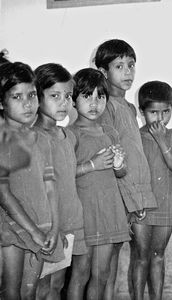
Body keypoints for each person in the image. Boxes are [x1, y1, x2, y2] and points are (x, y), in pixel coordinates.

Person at [94, 38, 157, 299]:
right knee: (108, 263)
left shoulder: (130, 107)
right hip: (121, 194)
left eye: (131, 65)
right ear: (103, 72)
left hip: (139, 191)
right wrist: (129, 201)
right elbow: (114, 156)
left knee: (141, 254)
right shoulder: (105, 106)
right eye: (119, 66)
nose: (128, 72)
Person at [0, 61, 64, 300]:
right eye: (17, 97)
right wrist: (34, 232)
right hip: (11, 227)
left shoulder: (41, 140)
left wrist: (55, 227)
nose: (27, 103)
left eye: (32, 95)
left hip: (43, 225)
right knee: (11, 293)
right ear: (1, 102)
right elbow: (4, 194)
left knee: (30, 292)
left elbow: (50, 186)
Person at [68, 67, 130, 300]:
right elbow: (64, 175)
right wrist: (92, 165)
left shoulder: (111, 132)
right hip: (83, 213)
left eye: (100, 96)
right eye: (87, 96)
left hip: (109, 211)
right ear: (74, 100)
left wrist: (118, 164)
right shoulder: (70, 134)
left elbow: (122, 173)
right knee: (80, 274)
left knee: (101, 274)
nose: (94, 103)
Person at [34, 62, 87, 300]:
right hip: (46, 226)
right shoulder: (32, 137)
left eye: (68, 96)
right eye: (55, 95)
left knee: (56, 286)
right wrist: (52, 228)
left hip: (71, 222)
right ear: (36, 96)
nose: (64, 102)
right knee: (40, 287)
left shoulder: (68, 136)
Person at [136, 80, 172, 299]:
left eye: (166, 111)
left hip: (166, 204)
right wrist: (135, 204)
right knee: (141, 257)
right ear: (142, 112)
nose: (160, 118)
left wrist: (161, 140)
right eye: (153, 112)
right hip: (141, 207)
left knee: (158, 255)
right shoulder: (135, 137)